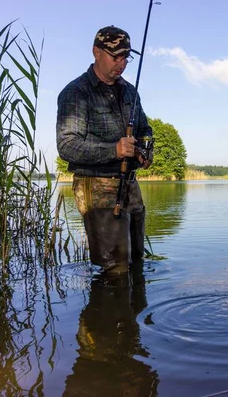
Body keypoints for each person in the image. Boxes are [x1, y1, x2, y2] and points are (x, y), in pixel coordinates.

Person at [56, 25, 153, 276]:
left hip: (130, 185)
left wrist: (145, 150)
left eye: (125, 57)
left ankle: (133, 314)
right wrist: (115, 150)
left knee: (137, 263)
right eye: (115, 56)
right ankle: (105, 313)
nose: (120, 64)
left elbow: (144, 128)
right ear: (96, 52)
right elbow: (67, 145)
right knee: (114, 270)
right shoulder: (76, 93)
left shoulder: (130, 91)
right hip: (96, 187)